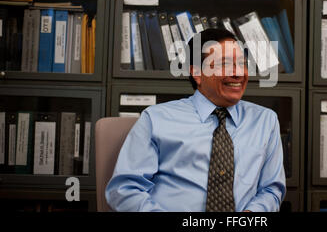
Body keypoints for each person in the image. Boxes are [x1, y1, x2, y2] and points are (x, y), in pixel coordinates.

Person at [105, 28, 286, 211]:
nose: (238, 73)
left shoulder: (265, 121)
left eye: (242, 63)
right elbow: (125, 190)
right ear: (197, 74)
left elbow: (271, 189)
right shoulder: (156, 119)